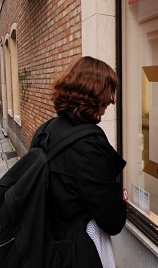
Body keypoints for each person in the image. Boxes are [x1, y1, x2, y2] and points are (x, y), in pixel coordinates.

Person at [30, 56, 126, 268]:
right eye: (107, 96)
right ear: (94, 94)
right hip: (78, 251)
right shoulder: (90, 145)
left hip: (45, 244)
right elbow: (113, 221)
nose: (109, 104)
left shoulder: (45, 130)